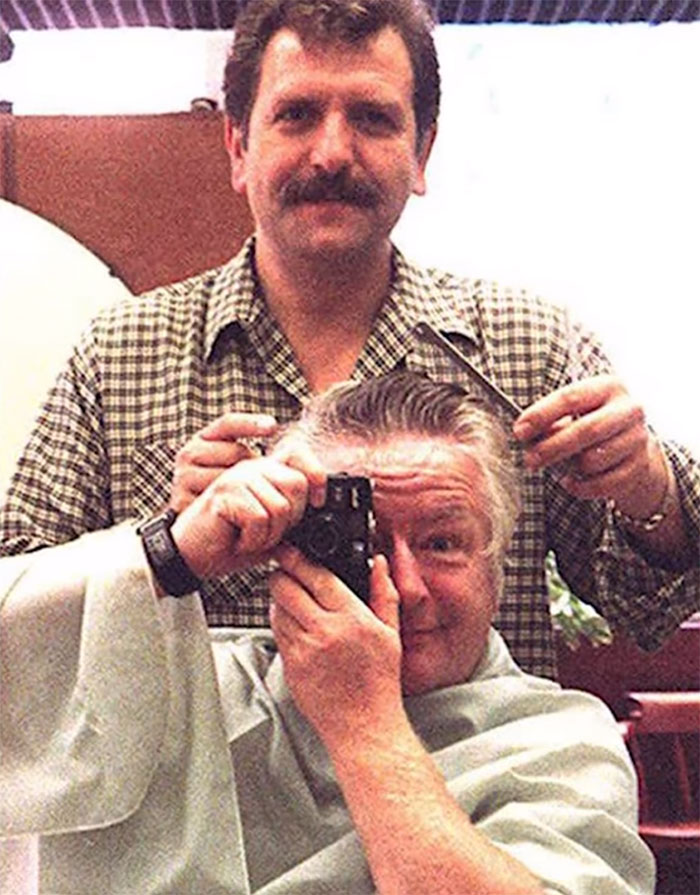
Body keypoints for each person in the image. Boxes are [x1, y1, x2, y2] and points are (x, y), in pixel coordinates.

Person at [0, 0, 698, 679]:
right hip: (203, 764)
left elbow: (648, 612)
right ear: (238, 146)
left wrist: (650, 489)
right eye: (297, 114)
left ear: (421, 153)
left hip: (474, 763)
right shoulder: (120, 355)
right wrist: (164, 546)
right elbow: (14, 615)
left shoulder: (532, 348)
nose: (332, 153)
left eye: (372, 118)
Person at [0, 372, 655, 894]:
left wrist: (362, 720)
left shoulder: (560, 740)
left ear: (497, 566)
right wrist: (168, 556)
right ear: (285, 550)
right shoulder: (198, 685)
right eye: (360, 543)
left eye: (442, 543)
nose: (404, 586)